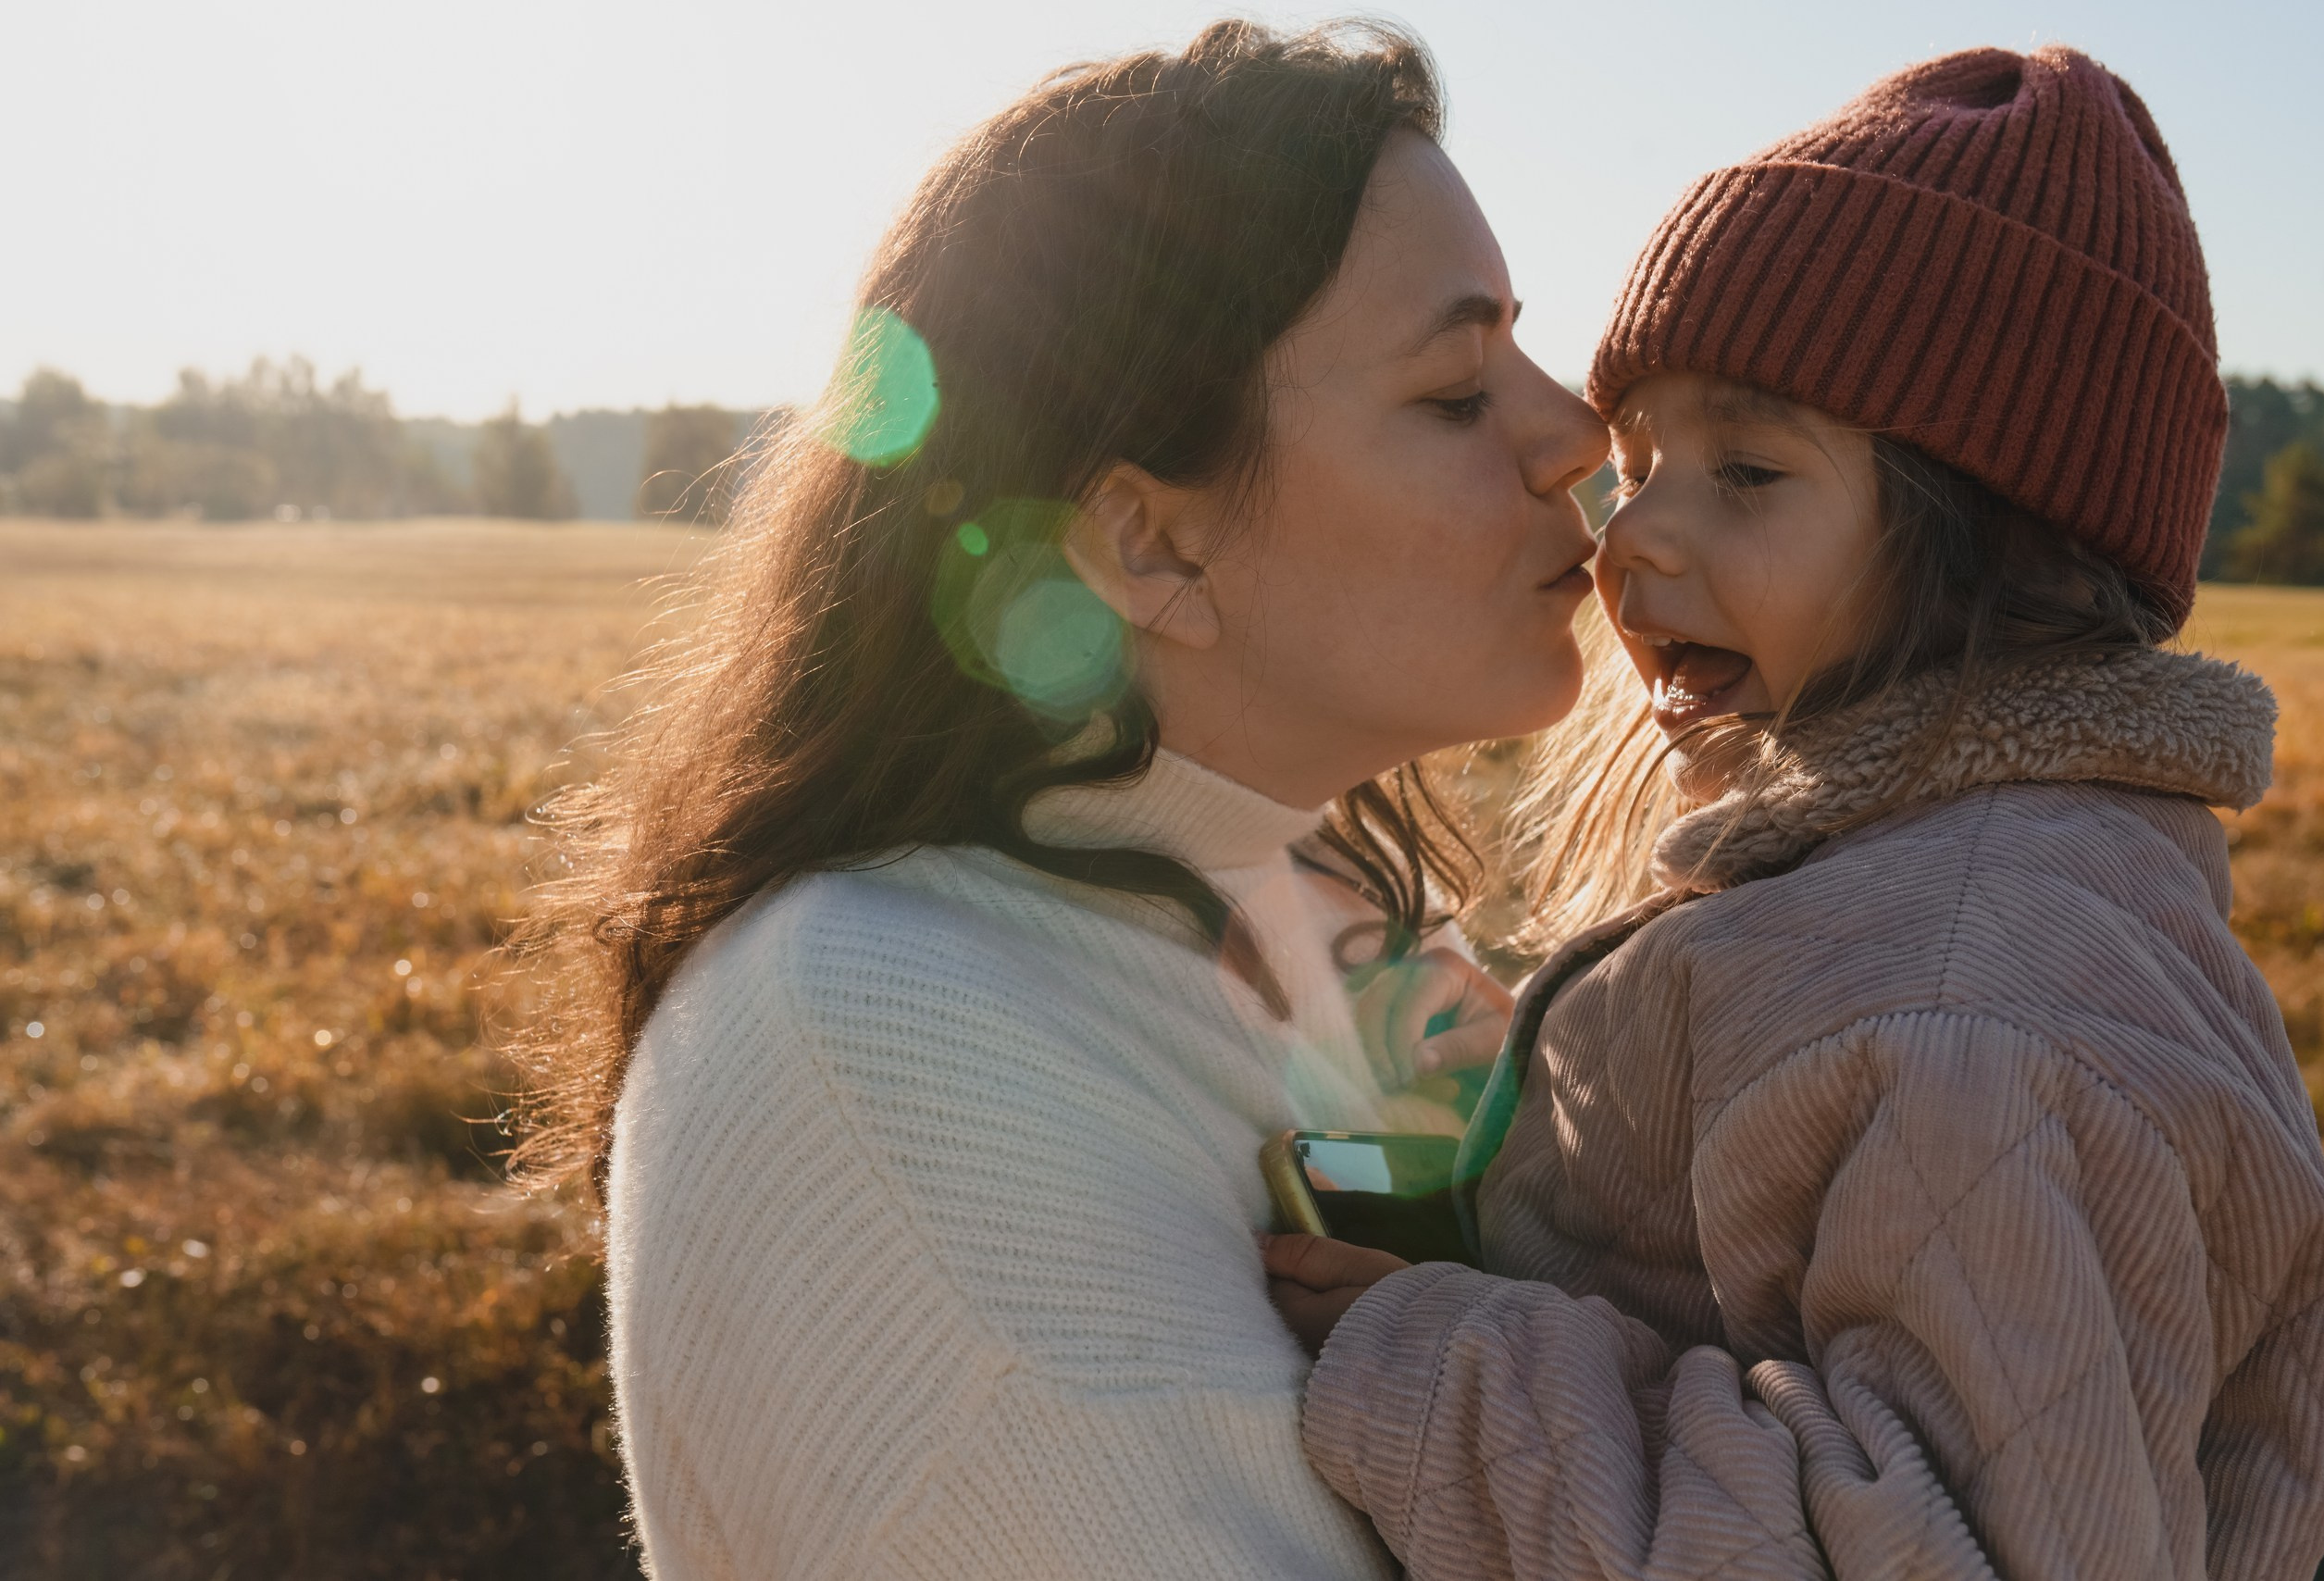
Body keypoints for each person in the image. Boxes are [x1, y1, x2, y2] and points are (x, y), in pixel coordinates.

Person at [503, 19, 1606, 1579]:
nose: (1578, 432)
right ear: (1148, 545)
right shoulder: (891, 1048)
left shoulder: (1310, 908)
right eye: (1455, 390)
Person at [1262, 45, 2324, 1580]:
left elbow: (1934, 1550)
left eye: (1748, 470)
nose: (1631, 534)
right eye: (1638, 459)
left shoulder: (1965, 1010)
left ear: (2001, 546)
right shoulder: (1905, 895)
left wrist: (1451, 1363)